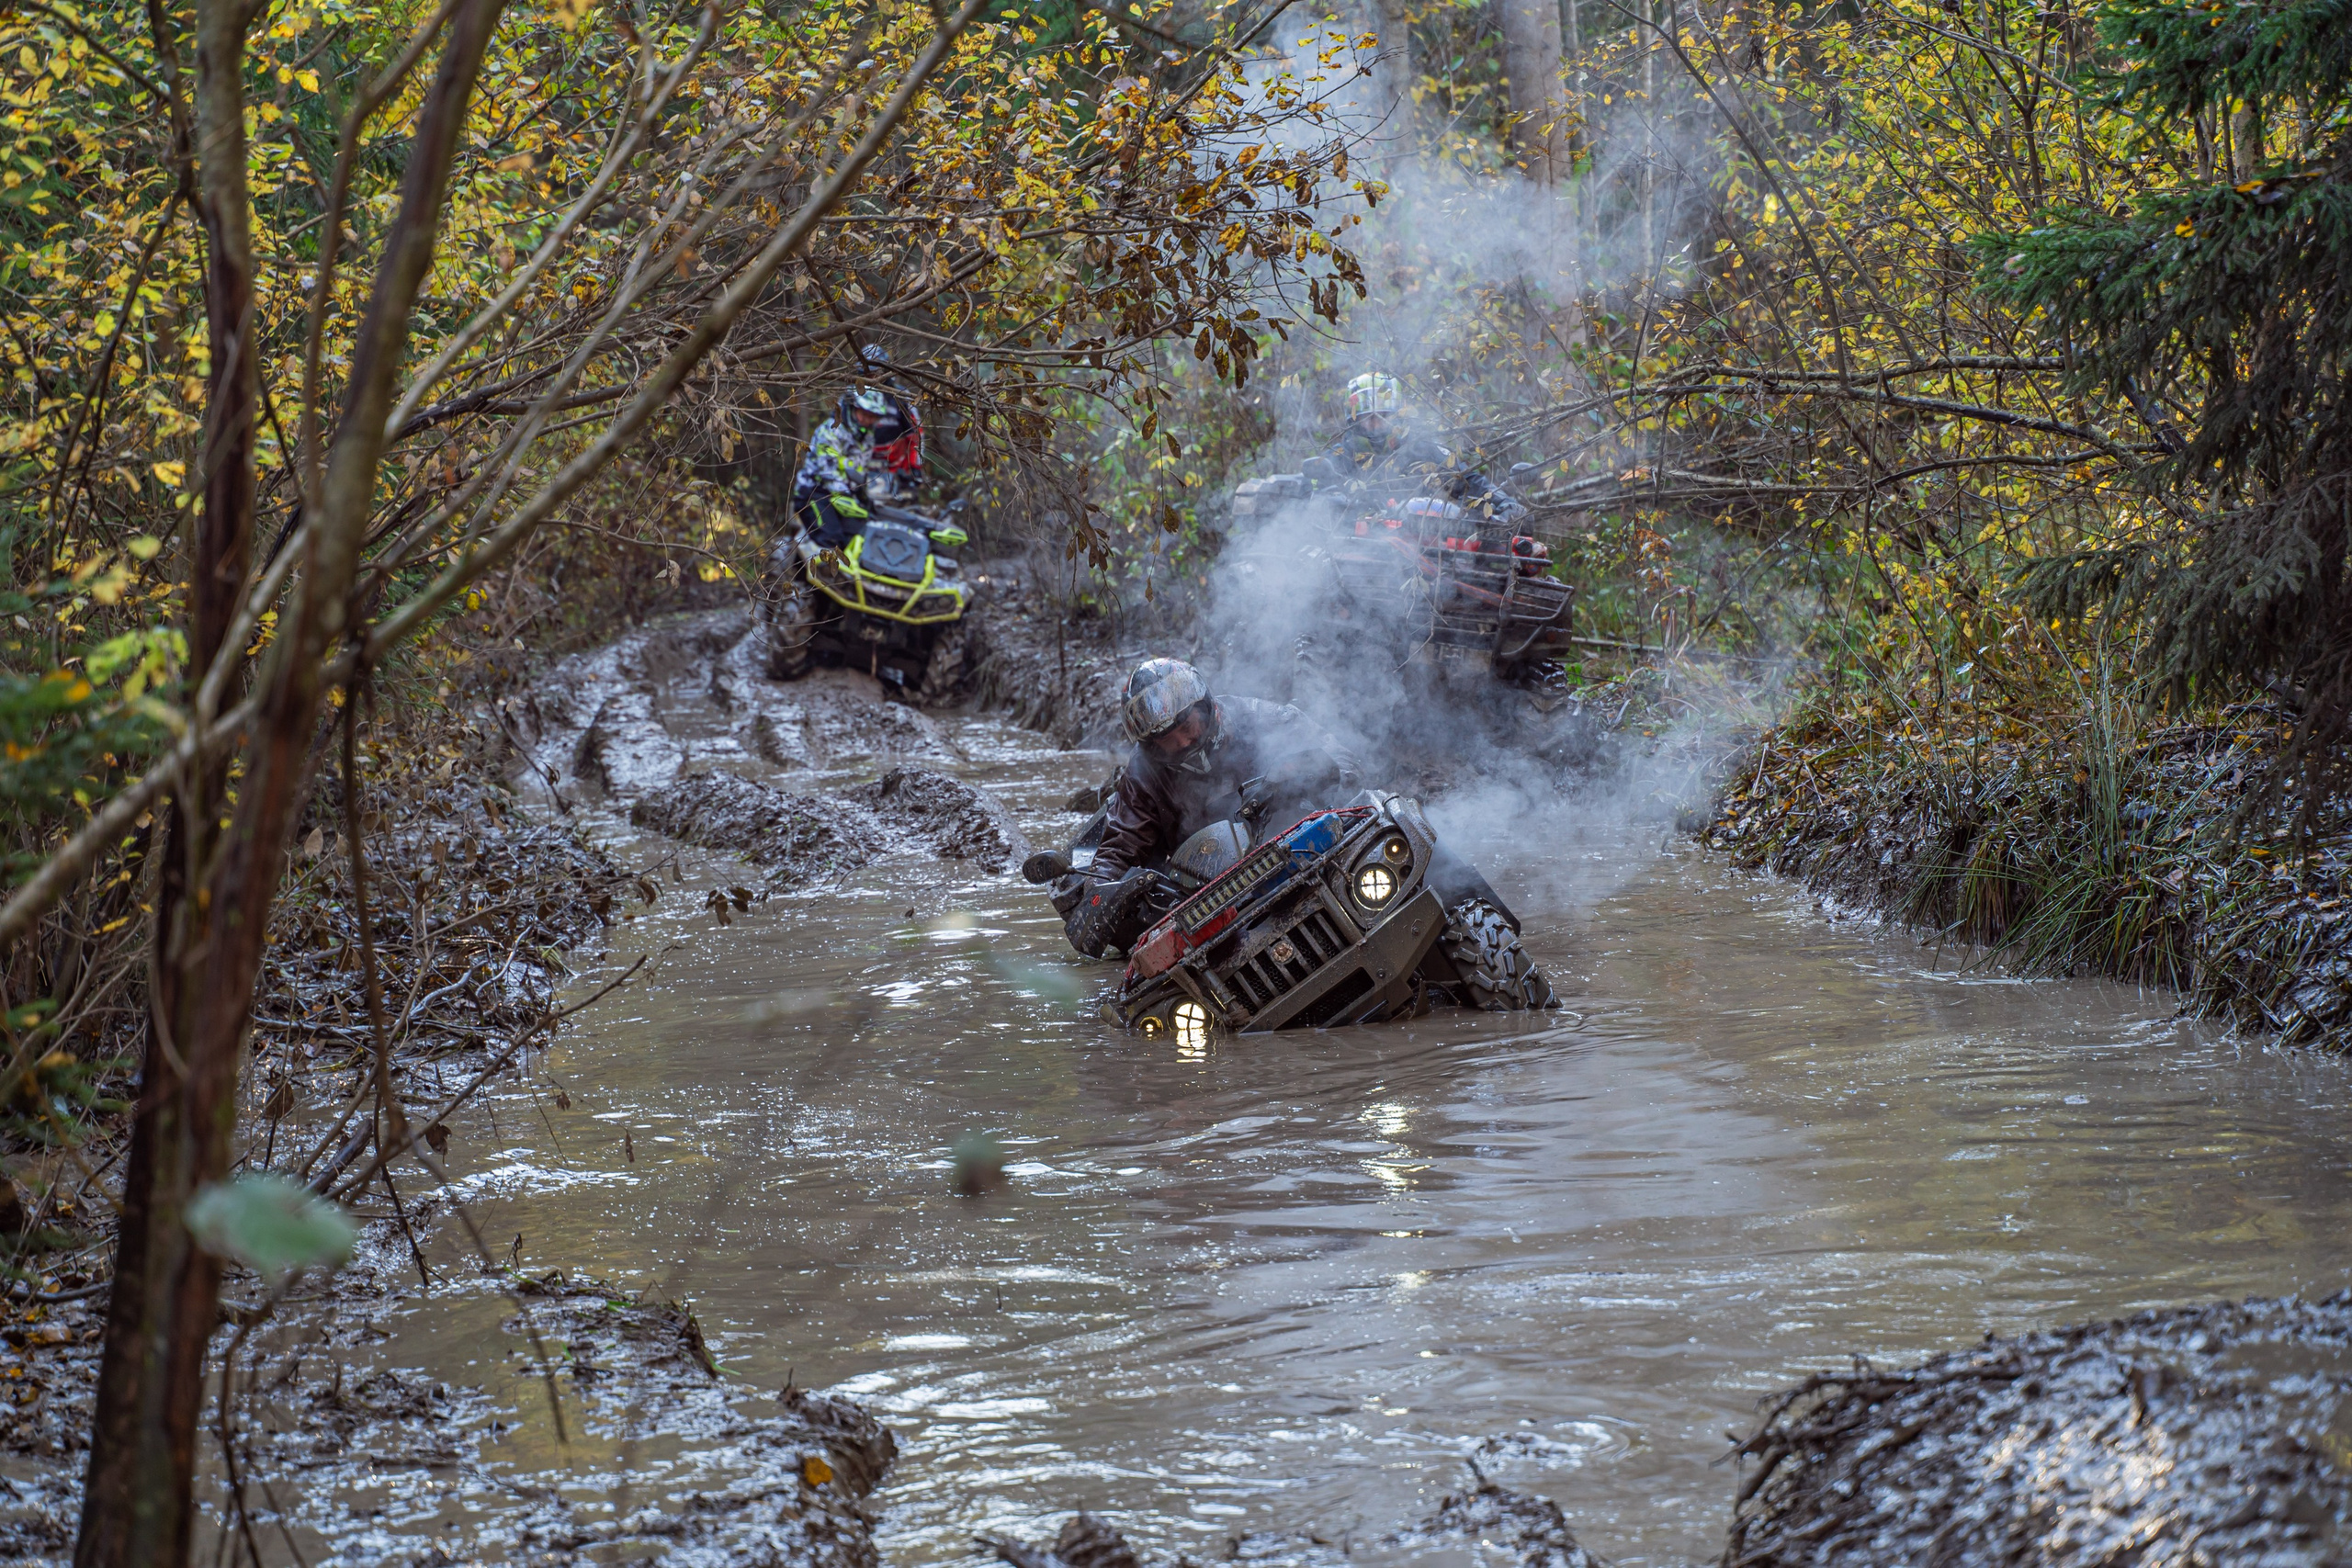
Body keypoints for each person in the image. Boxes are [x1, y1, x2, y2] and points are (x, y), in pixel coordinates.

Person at [1057, 659, 1359, 957]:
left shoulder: (1260, 718)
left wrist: (1296, 773)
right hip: (1205, 895)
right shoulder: (1143, 771)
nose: (1184, 742)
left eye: (1187, 727)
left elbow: (1346, 764)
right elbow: (1122, 839)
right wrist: (1098, 890)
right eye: (1167, 740)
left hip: (1296, 855)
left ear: (1205, 707)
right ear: (1152, 745)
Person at [1313, 371, 1522, 544]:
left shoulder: (1419, 445)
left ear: (1398, 413)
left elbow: (1468, 478)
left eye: (1384, 416)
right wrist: (1329, 499)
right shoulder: (1343, 453)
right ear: (1355, 418)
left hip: (1424, 544)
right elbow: (1312, 485)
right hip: (1360, 544)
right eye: (1370, 418)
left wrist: (1504, 503)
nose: (1377, 425)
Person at [792, 385, 923, 548]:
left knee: (862, 539)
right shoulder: (831, 431)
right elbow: (827, 471)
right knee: (831, 540)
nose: (868, 420)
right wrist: (850, 493)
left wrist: (863, 493)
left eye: (873, 416)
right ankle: (823, 569)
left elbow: (862, 469)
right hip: (815, 492)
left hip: (846, 497)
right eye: (864, 414)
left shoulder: (867, 437)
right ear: (852, 408)